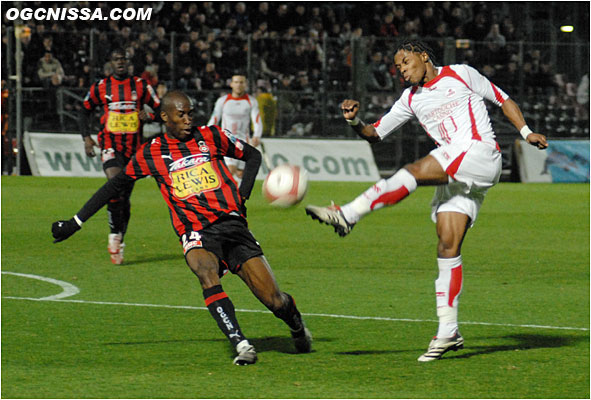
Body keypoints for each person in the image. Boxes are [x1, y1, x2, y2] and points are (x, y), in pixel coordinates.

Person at [305, 39, 548, 362]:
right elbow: (376, 133)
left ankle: (349, 214)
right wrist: (354, 122)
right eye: (398, 67)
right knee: (447, 246)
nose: (401, 70)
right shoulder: (410, 99)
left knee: (414, 171)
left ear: (423, 56)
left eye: (405, 62)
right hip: (457, 171)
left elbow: (502, 99)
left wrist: (526, 131)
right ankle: (448, 331)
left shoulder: (461, 73)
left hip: (479, 152)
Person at [52, 91, 312, 366]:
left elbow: (253, 156)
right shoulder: (151, 152)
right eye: (181, 115)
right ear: (165, 117)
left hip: (232, 225)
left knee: (274, 301)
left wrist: (242, 197)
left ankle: (296, 326)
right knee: (205, 272)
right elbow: (115, 186)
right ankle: (241, 343)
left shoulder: (211, 136)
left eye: (190, 113)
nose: (188, 119)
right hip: (195, 230)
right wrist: (75, 223)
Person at [79, 48, 161, 265]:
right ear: (111, 63)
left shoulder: (141, 86)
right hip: (110, 146)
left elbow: (161, 109)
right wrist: (86, 138)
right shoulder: (100, 87)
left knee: (124, 197)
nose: (121, 62)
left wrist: (150, 114)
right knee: (115, 184)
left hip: (134, 150)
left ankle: (120, 238)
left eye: (124, 59)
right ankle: (114, 235)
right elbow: (84, 110)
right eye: (116, 59)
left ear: (129, 62)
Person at [208, 74, 262, 184]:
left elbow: (256, 120)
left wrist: (257, 135)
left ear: (245, 85)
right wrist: (206, 133)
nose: (238, 85)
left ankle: (235, 198)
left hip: (243, 141)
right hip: (227, 139)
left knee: (240, 174)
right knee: (230, 169)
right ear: (231, 84)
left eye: (241, 82)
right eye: (236, 82)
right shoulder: (223, 101)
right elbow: (214, 118)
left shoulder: (251, 101)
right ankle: (221, 197)